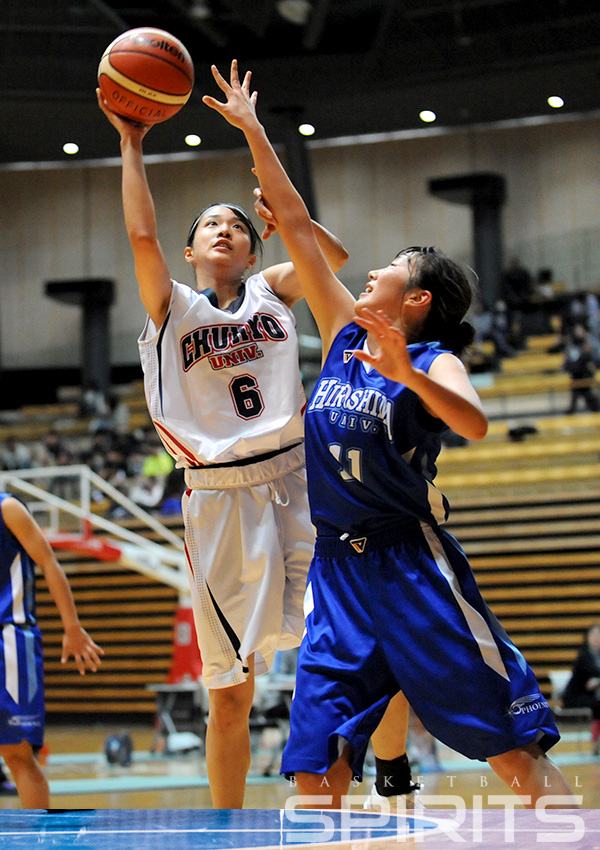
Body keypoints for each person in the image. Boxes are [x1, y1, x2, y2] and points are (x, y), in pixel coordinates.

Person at [203, 60, 579, 809]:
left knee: (509, 751)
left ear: (416, 299)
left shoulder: (436, 359)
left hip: (412, 564)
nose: (369, 270)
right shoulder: (343, 332)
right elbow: (299, 227)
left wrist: (408, 373)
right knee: (313, 772)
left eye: (388, 269)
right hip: (338, 574)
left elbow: (471, 423)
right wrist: (253, 130)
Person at [96, 85, 349, 810]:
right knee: (231, 692)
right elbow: (141, 239)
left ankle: (336, 804)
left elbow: (328, 258)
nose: (224, 230)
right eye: (210, 224)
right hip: (219, 496)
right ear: (190, 248)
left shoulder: (273, 290)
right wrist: (131, 143)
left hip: (301, 479)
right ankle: (226, 827)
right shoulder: (172, 303)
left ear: (255, 244)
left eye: (237, 224)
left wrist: (289, 217)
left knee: (337, 658)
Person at [0, 493, 103, 808]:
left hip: (10, 641)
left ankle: (39, 838)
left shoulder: (8, 509)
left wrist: (72, 627)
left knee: (17, 754)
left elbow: (48, 563)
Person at [563, 624, 600, 755]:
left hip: (589, 697)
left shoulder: (597, 655)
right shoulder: (584, 655)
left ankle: (596, 742)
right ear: (588, 637)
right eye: (594, 635)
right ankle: (596, 742)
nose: (597, 638)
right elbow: (594, 671)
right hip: (574, 697)